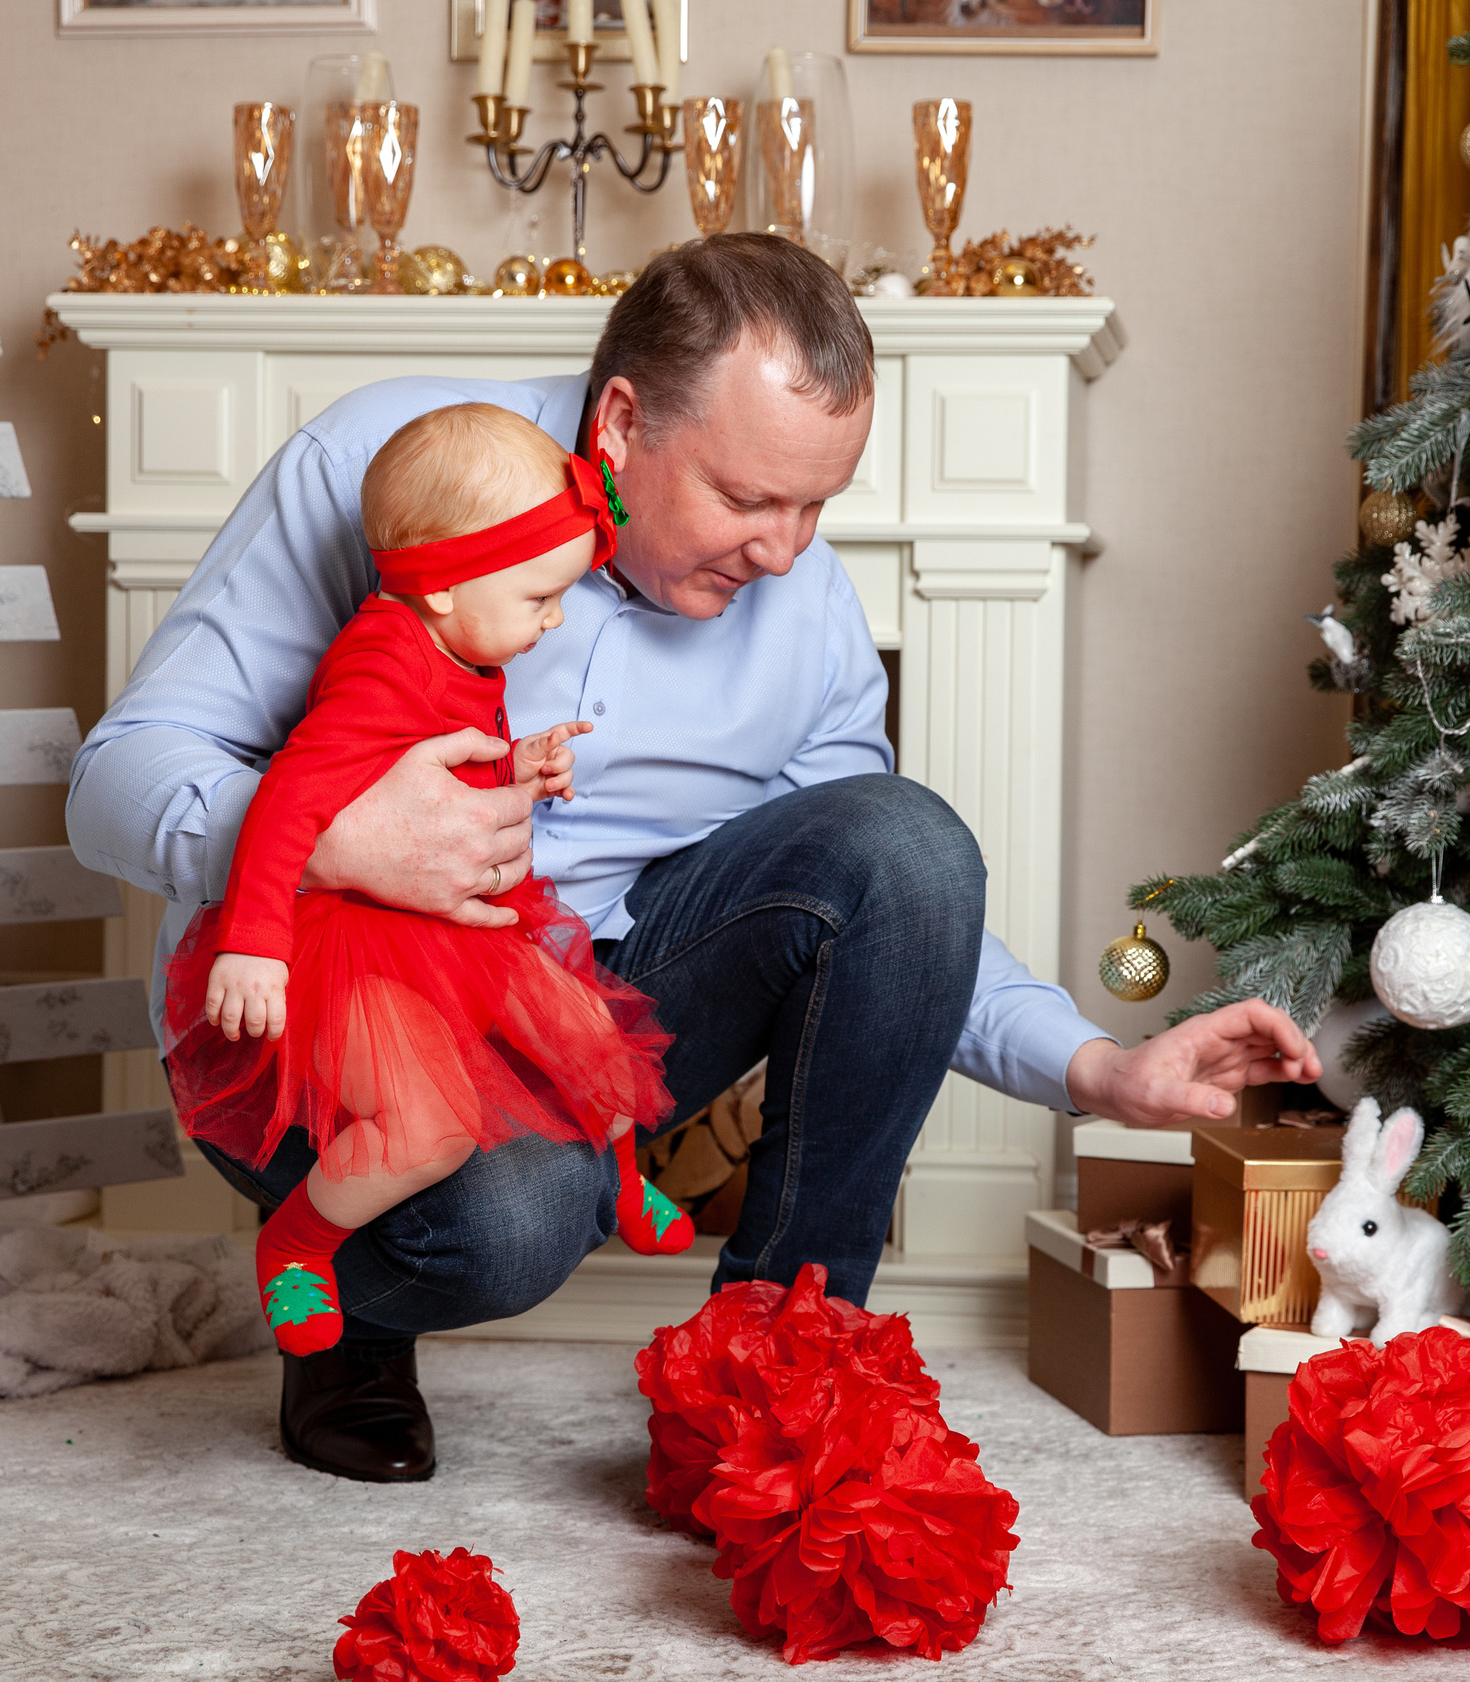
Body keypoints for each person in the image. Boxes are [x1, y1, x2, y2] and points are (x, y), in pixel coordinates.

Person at [68, 233, 1320, 1483]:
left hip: (580, 988)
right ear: (619, 422)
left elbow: (895, 902)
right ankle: (349, 1312)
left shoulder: (808, 609)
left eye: (816, 503)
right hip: (331, 1006)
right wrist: (336, 844)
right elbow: (117, 775)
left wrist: (1098, 1068)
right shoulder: (383, 468)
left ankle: (774, 1378)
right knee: (511, 1228)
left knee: (908, 836)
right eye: (746, 498)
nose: (783, 551)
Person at [162, 405, 695, 1370]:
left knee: (589, 1035)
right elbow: (290, 798)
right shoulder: (379, 662)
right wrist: (252, 940)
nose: (555, 620)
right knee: (428, 1128)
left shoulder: (462, 643)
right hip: (359, 940)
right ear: (444, 586)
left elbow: (425, 778)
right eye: (540, 597)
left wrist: (519, 763)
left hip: (455, 923)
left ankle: (618, 1174)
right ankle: (299, 1241)